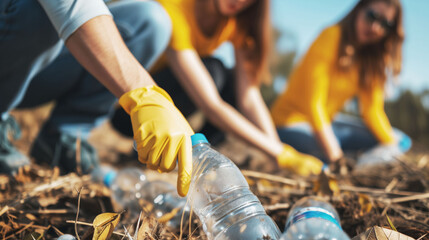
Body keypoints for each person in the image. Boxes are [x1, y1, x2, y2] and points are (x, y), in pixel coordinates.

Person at [0, 0, 193, 196]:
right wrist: (144, 93)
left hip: (33, 68)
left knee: (149, 21)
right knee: (38, 8)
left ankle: (64, 138)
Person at [111, 0, 324, 176]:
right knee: (214, 71)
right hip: (134, 111)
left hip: (171, 104)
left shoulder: (236, 22)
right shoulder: (176, 6)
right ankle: (154, 149)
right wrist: (281, 153)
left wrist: (280, 155)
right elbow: (211, 105)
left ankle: (196, 157)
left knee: (231, 81)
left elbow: (249, 97)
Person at [270, 0, 411, 164]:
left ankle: (360, 163)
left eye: (385, 24)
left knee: (401, 140)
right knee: (323, 150)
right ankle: (346, 162)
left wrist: (392, 146)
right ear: (359, 9)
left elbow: (372, 111)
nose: (375, 27)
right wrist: (335, 155)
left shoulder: (371, 61)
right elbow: (314, 104)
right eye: (372, 16)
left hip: (327, 126)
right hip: (289, 124)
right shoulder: (331, 35)